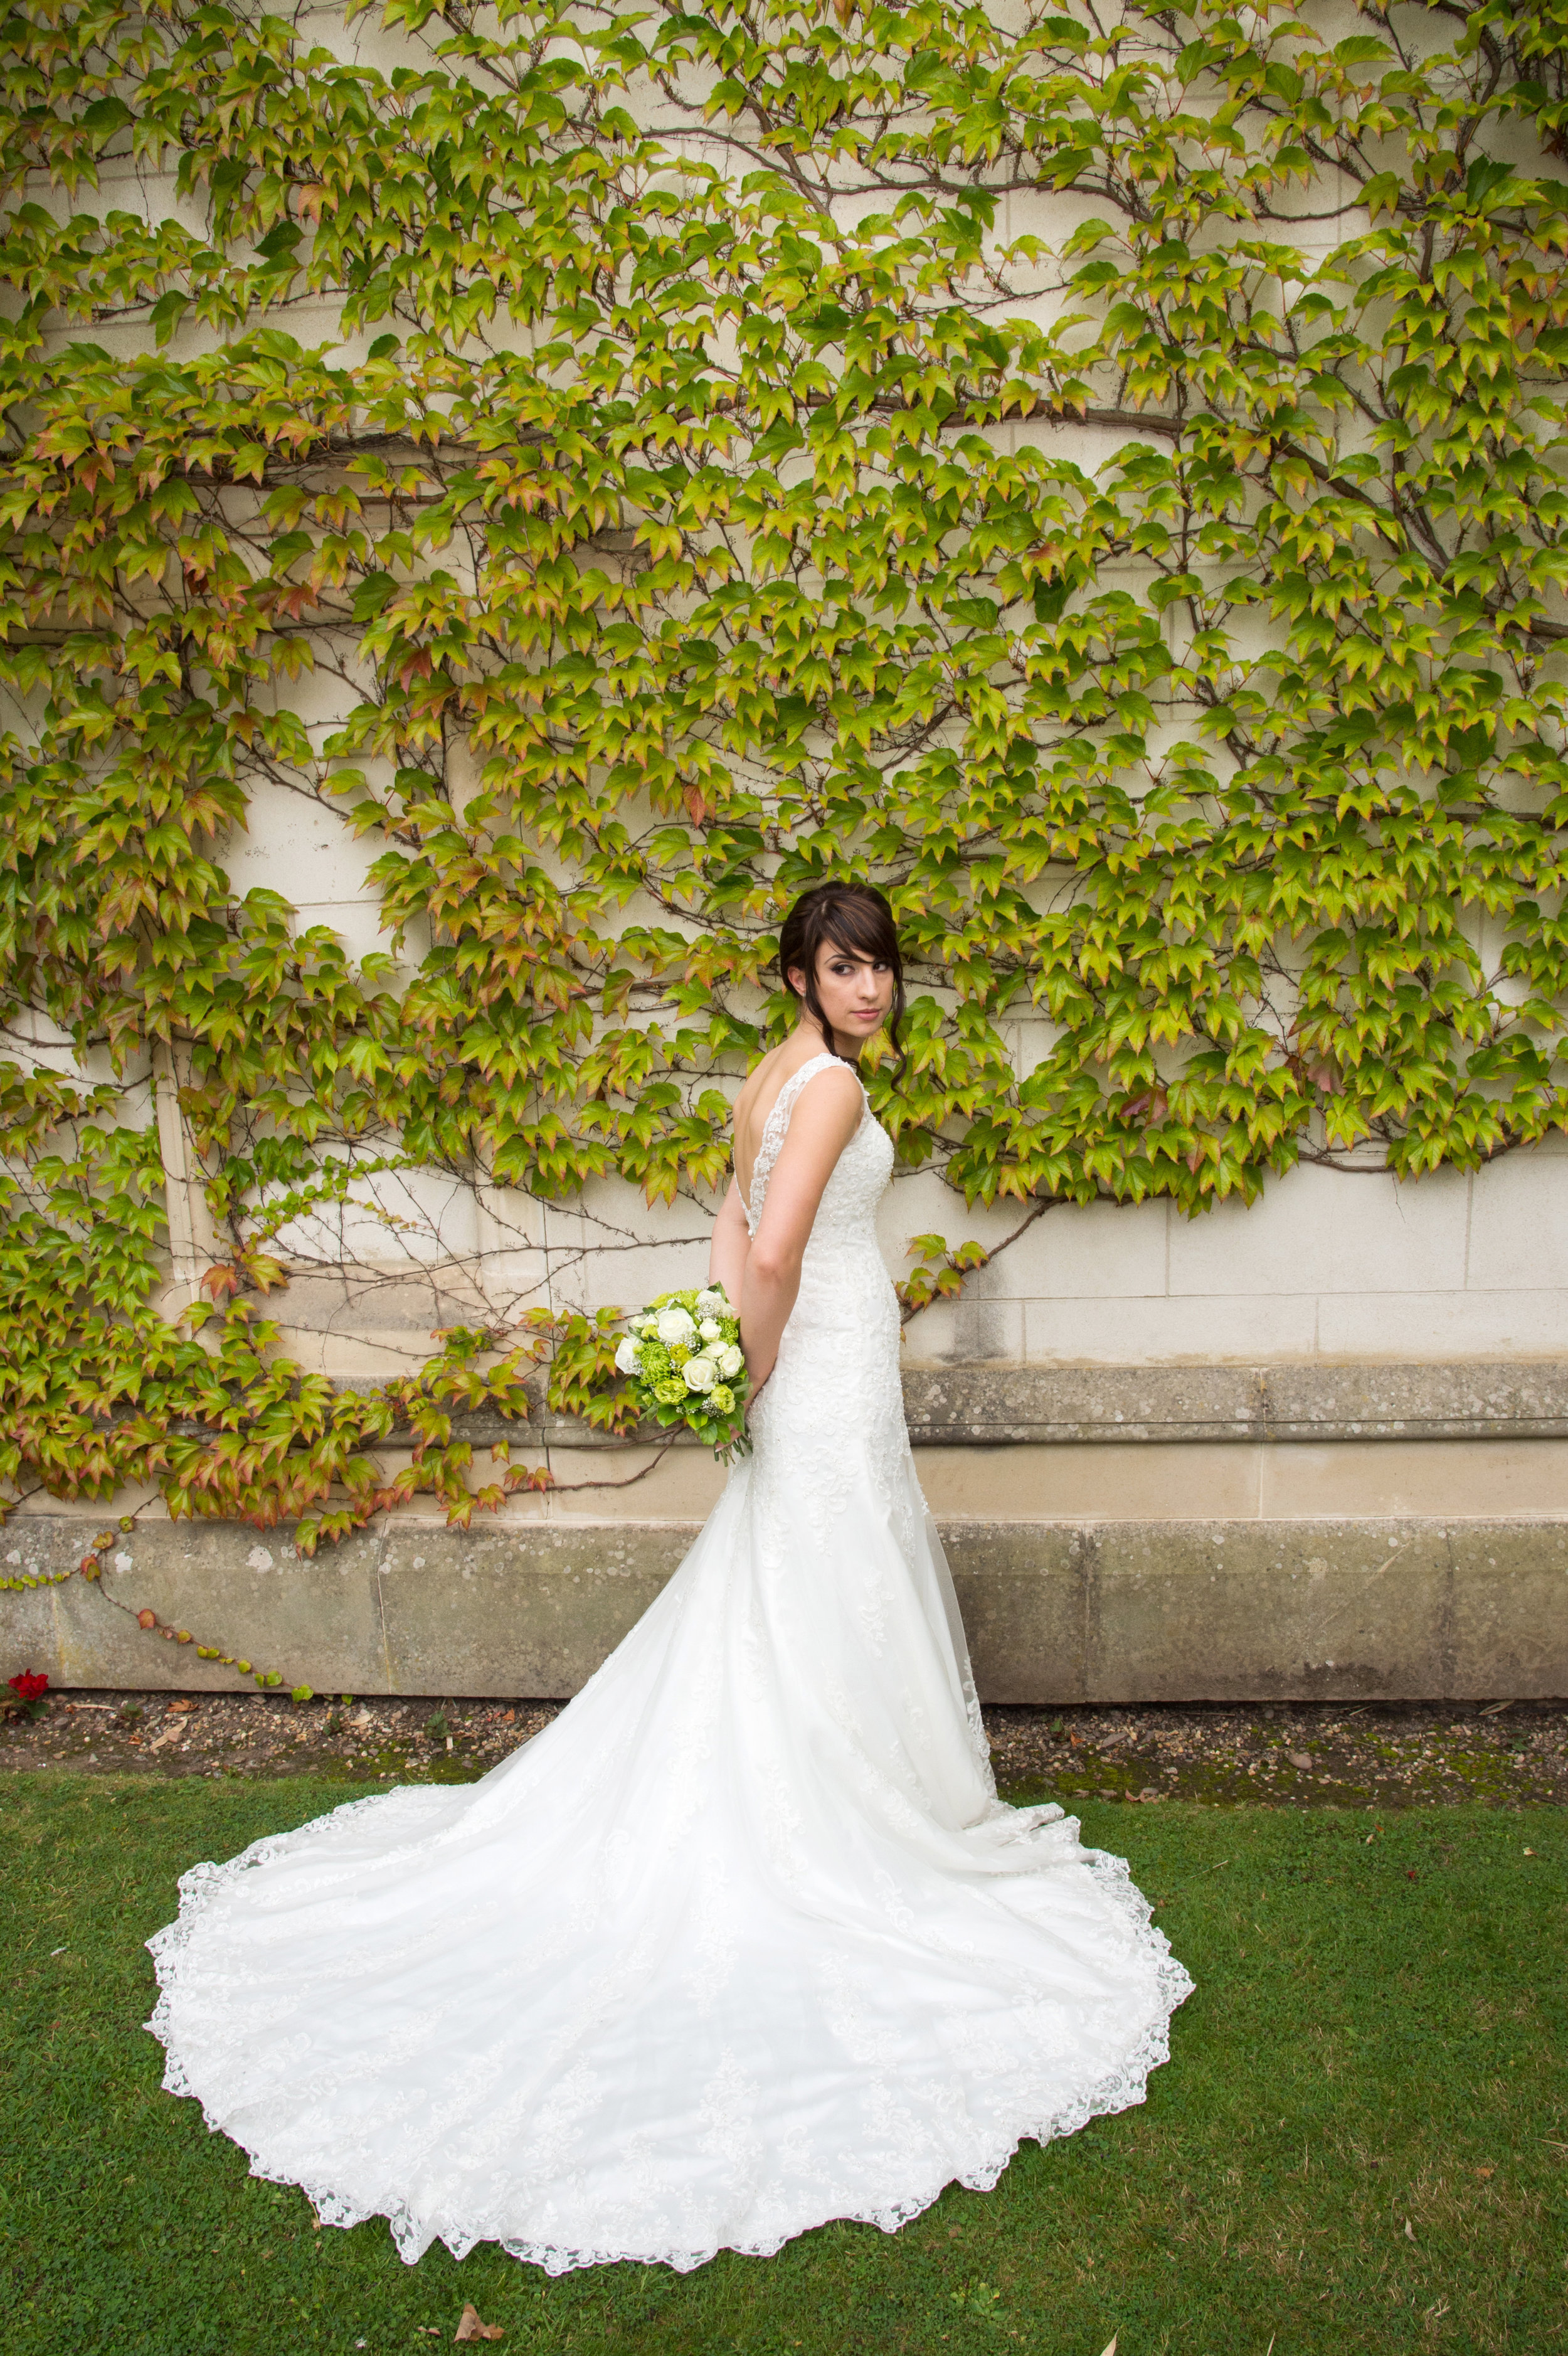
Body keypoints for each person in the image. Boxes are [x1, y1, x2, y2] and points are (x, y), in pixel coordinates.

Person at [144, 880, 1191, 2276]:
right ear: (800, 975)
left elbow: (720, 1217)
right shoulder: (819, 1091)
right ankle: (850, 1826)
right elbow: (764, 1243)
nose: (871, 988)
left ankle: (835, 1783)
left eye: (880, 965)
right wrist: (748, 1363)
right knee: (831, 1572)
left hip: (804, 1364)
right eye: (844, 966)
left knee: (798, 1578)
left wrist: (715, 1345)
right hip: (817, 1371)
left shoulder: (769, 1073)